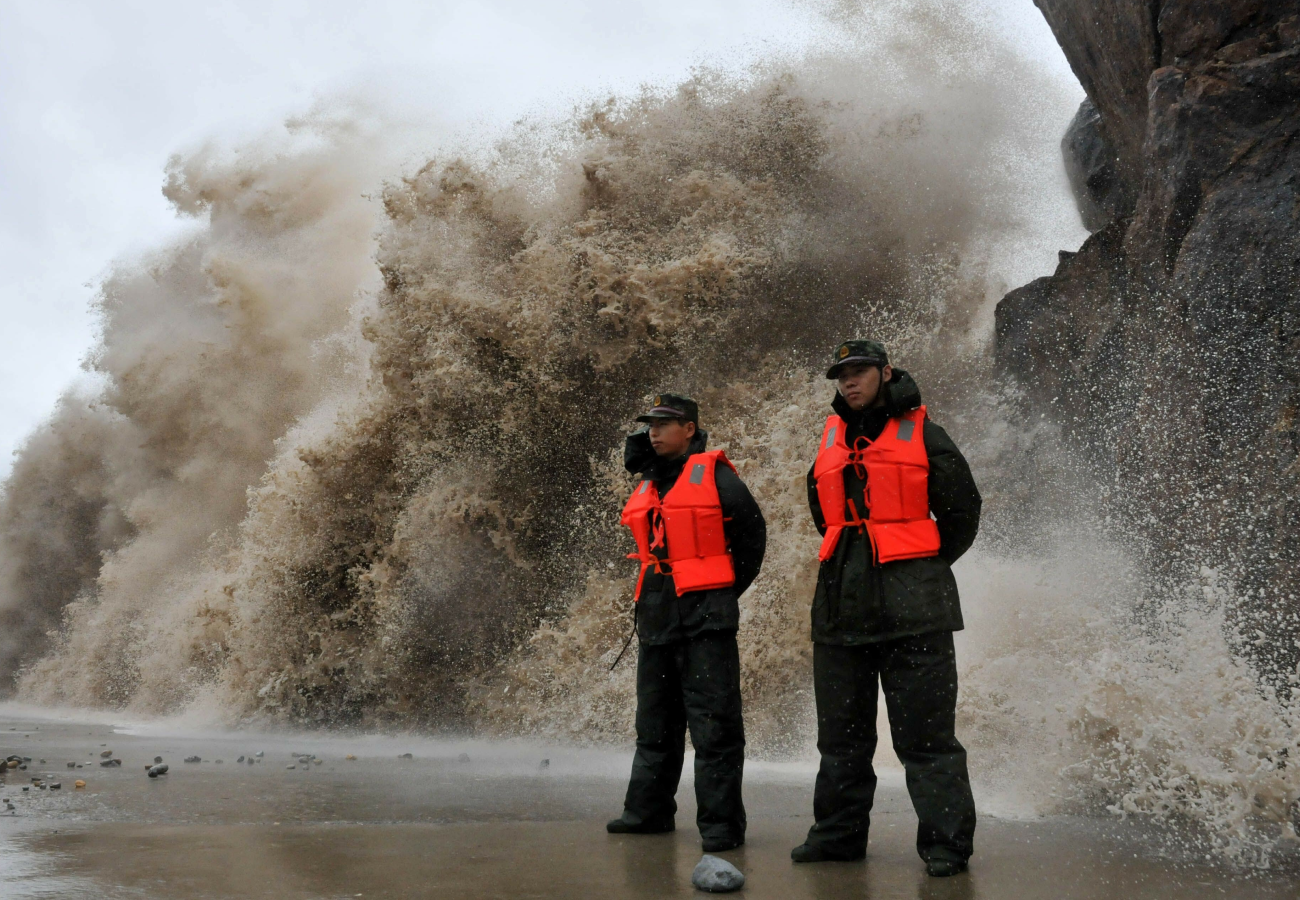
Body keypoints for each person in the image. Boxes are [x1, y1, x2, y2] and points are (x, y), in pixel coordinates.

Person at [791, 340, 981, 878]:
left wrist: (920, 568)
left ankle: (946, 846)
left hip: (916, 614)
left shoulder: (925, 434)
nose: (849, 382)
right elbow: (821, 513)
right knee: (841, 738)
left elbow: (962, 512)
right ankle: (837, 836)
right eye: (841, 375)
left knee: (926, 738)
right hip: (840, 613)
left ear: (885, 372)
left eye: (859, 372)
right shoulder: (829, 440)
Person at [607, 393, 767, 853]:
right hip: (657, 619)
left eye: (665, 423)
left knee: (714, 728)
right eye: (650, 424)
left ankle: (720, 828)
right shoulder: (650, 483)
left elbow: (752, 540)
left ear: (690, 429)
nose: (653, 431)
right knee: (654, 725)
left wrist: (719, 591)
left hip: (706, 622)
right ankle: (648, 813)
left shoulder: (717, 478)